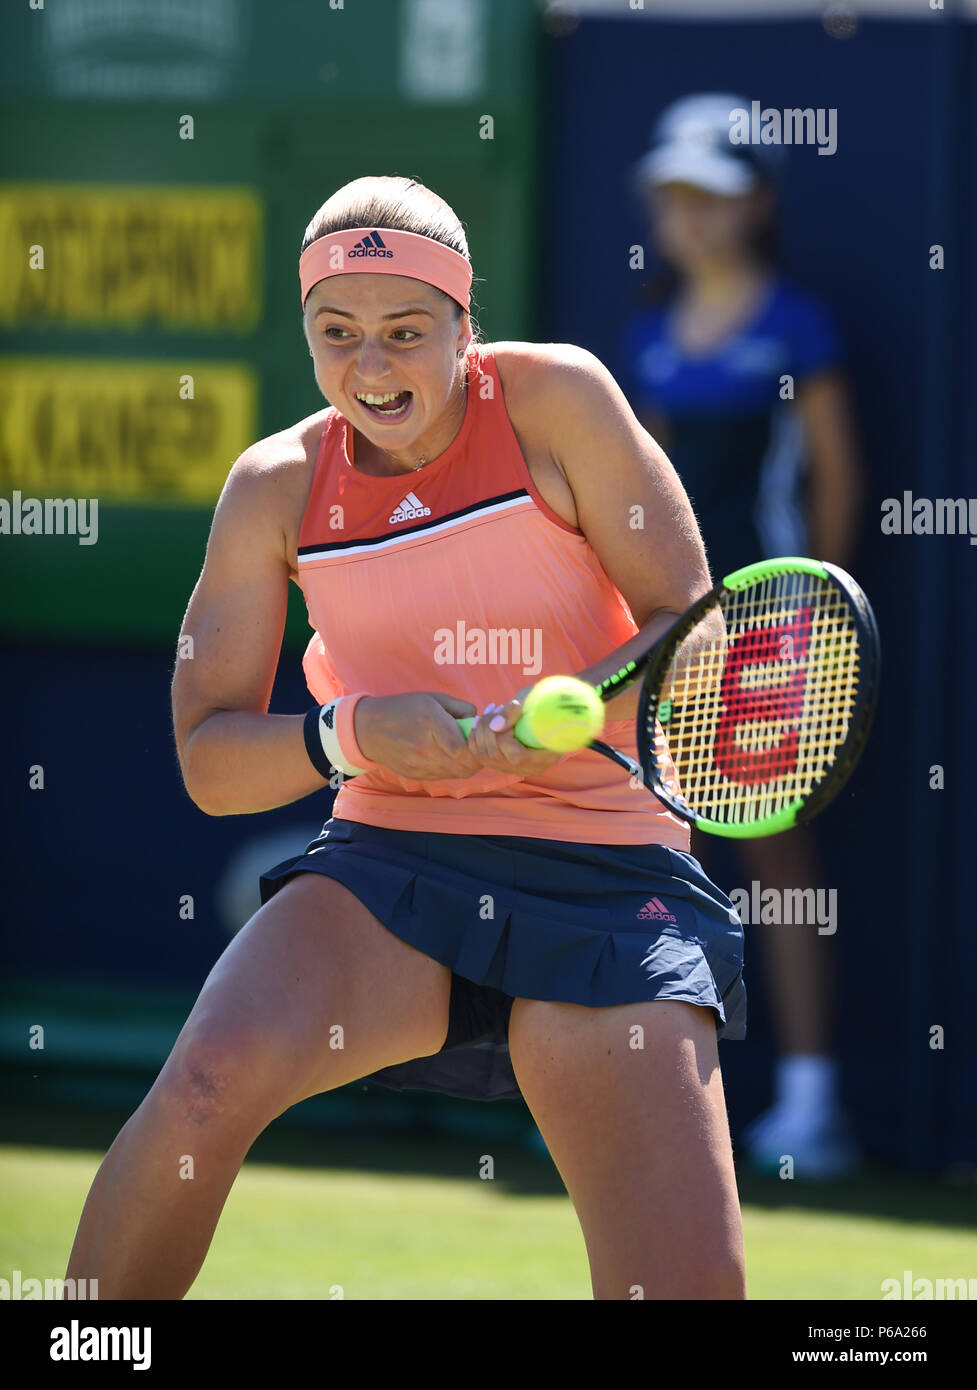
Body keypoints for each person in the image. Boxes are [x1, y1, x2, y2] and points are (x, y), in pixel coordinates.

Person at [65, 175, 748, 1300]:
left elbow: (694, 617)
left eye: (404, 332)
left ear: (464, 328)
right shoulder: (273, 487)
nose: (369, 368)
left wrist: (566, 703)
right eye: (336, 335)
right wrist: (348, 738)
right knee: (203, 1083)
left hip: (609, 868)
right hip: (389, 858)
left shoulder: (558, 400)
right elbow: (210, 760)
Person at [622, 95, 865, 1179]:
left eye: (711, 195)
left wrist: (804, 618)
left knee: (777, 859)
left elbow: (836, 483)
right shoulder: (647, 343)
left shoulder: (797, 327)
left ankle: (812, 1112)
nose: (691, 216)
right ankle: (644, 1106)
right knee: (656, 860)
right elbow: (643, 499)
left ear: (754, 203)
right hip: (670, 641)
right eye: (673, 197)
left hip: (773, 640)